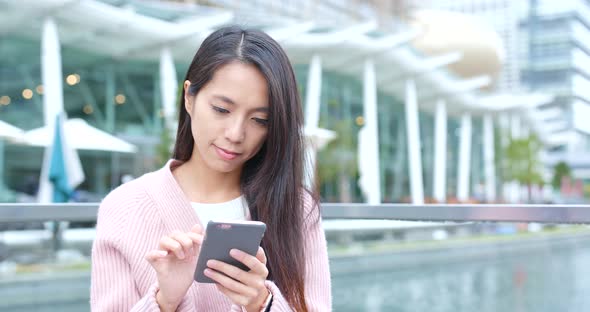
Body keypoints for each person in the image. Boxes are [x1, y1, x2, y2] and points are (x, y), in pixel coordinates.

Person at [90, 25, 332, 312]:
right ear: (189, 97)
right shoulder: (124, 207)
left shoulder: (296, 208)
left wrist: (260, 304)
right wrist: (164, 301)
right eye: (221, 109)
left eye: (260, 120)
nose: (235, 133)